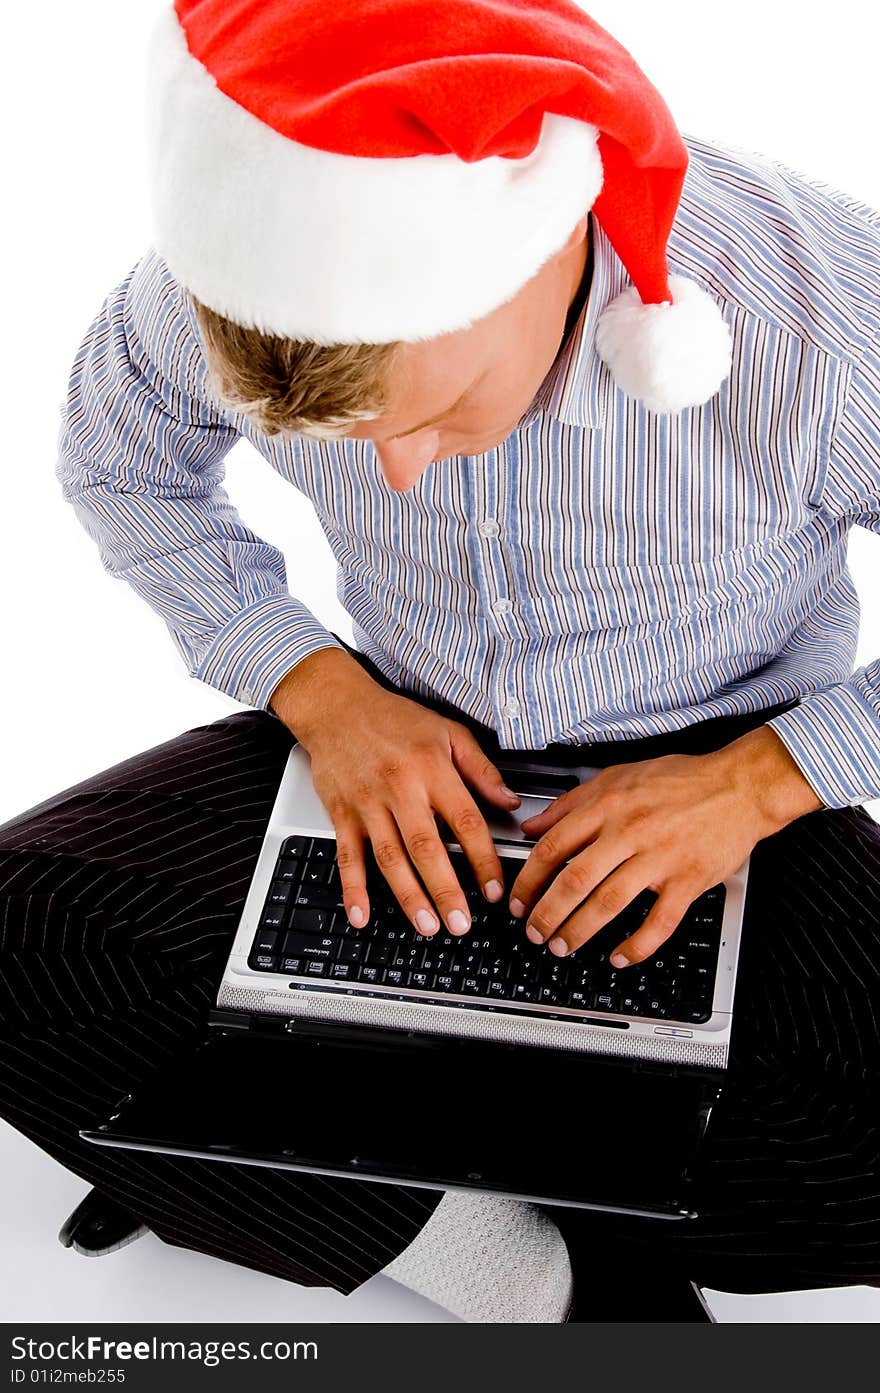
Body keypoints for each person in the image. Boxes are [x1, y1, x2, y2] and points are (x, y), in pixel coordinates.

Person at [4, 0, 880, 1321]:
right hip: (393, 736)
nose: (397, 475)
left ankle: (316, 1146)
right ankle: (528, 1268)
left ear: (536, 251)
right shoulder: (219, 290)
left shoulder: (808, 294)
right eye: (346, 440)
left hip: (733, 782)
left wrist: (761, 783)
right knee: (19, 945)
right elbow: (120, 465)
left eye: (437, 413)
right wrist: (322, 690)